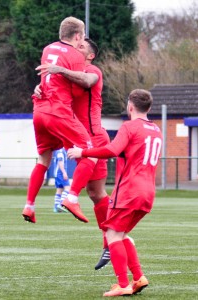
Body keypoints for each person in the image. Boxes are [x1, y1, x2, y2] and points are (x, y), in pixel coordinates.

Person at [68, 89, 163, 296]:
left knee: (112, 234)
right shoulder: (156, 130)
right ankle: (138, 277)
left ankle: (123, 284)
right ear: (149, 107)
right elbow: (127, 151)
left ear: (130, 106)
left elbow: (112, 150)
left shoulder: (129, 126)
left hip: (129, 191)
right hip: (148, 193)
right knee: (122, 235)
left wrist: (82, 152)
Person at [35, 38, 112, 269]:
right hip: (77, 137)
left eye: (81, 48)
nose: (75, 50)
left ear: (90, 56)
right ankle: (110, 242)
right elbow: (54, 90)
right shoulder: (70, 70)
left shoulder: (91, 70)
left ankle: (110, 241)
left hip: (94, 137)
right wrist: (40, 88)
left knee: (95, 193)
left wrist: (59, 68)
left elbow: (87, 81)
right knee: (96, 192)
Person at [22, 16, 98, 224]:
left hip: (39, 110)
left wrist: (42, 86)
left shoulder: (48, 49)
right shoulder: (76, 56)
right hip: (58, 111)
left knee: (43, 160)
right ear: (77, 36)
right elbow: (78, 89)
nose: (82, 42)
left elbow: (48, 78)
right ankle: (72, 198)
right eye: (81, 37)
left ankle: (29, 206)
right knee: (91, 153)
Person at [53, 148, 70, 213]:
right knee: (67, 188)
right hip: (60, 173)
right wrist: (64, 172)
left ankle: (56, 206)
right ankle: (61, 204)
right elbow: (60, 161)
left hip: (56, 173)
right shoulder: (60, 150)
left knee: (59, 189)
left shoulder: (57, 150)